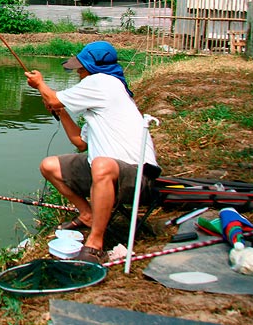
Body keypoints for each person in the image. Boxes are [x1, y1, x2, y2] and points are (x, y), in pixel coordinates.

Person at [24, 41, 160, 264]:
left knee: (101, 164)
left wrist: (41, 85)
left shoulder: (104, 82)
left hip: (138, 179)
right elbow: (80, 142)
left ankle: (95, 244)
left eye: (81, 68)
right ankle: (87, 215)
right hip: (105, 172)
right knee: (50, 165)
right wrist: (61, 112)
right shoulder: (99, 102)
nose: (78, 72)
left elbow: (53, 97)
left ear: (94, 68)